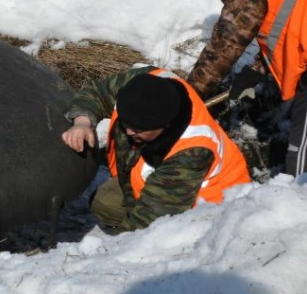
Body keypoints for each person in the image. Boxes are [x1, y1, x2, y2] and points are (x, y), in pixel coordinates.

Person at [60, 67, 251, 233]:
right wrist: (82, 122)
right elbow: (97, 92)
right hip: (157, 186)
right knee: (105, 203)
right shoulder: (144, 82)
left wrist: (109, 256)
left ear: (164, 126)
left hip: (207, 215)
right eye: (126, 122)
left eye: (138, 129)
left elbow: (149, 224)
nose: (127, 131)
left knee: (117, 212)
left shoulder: (190, 154)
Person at [188, 0, 307, 177]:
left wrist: (189, 96)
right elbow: (288, 22)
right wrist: (255, 72)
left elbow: (223, 49)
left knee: (301, 151)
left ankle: (296, 205)